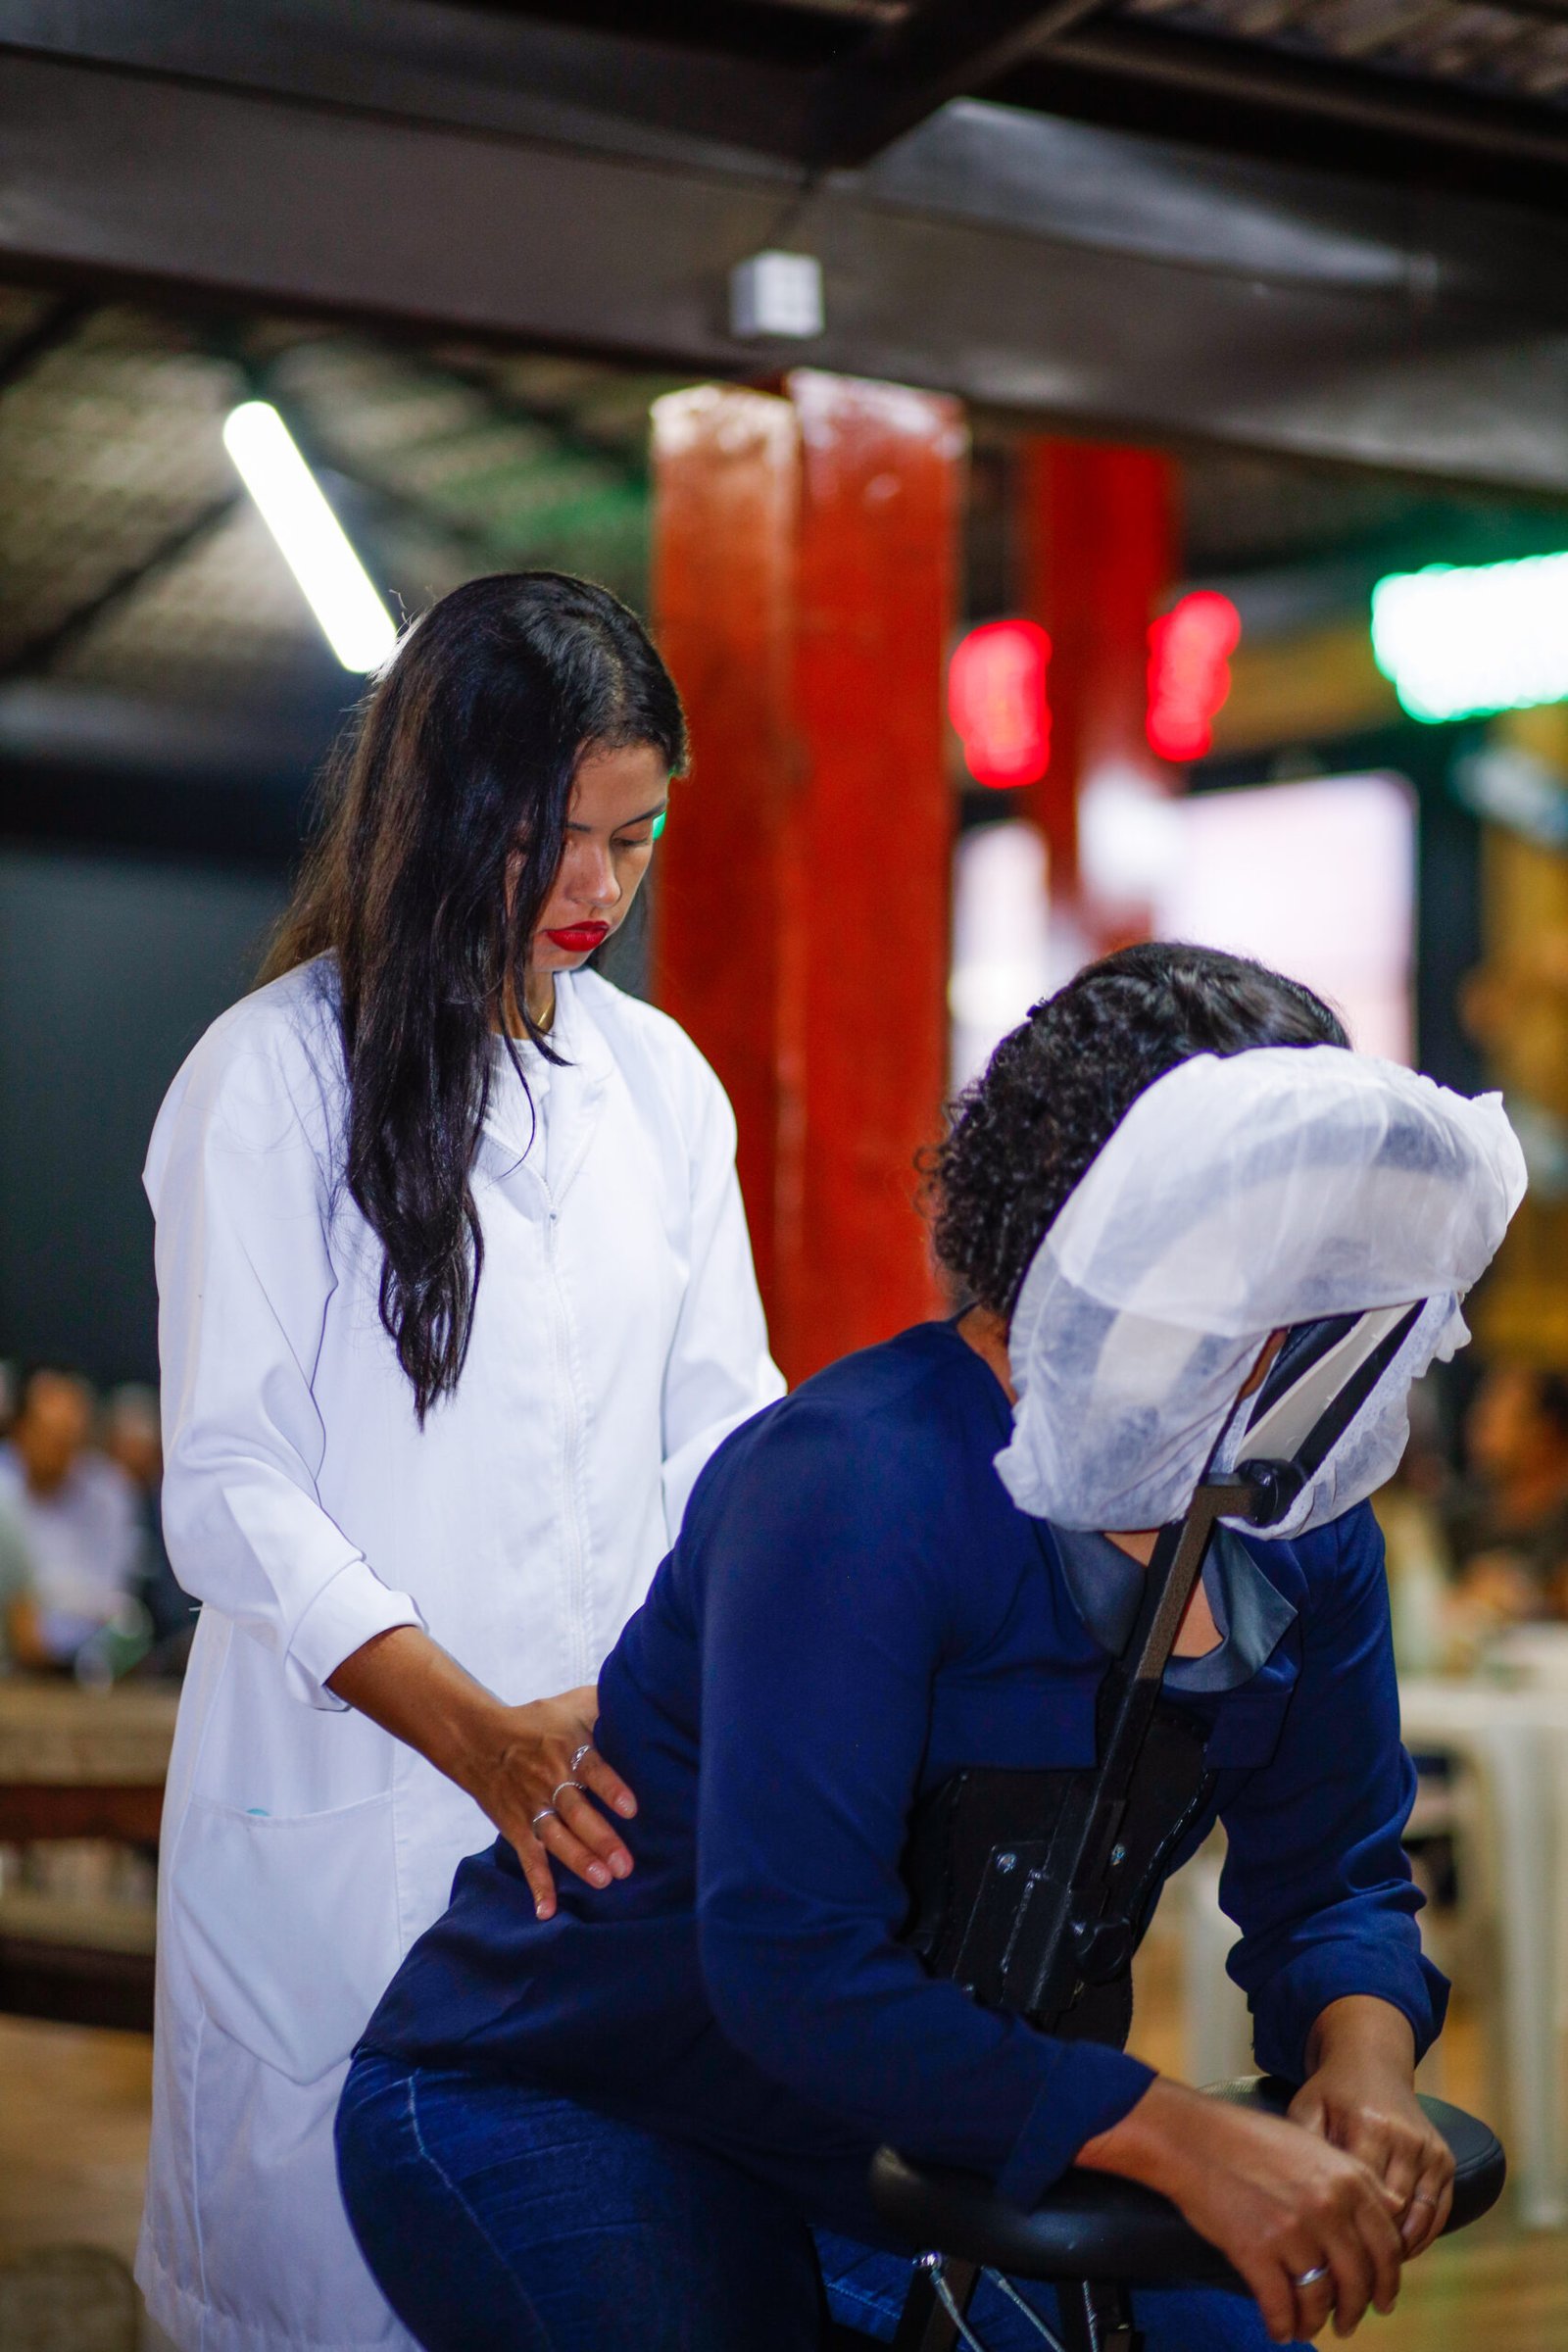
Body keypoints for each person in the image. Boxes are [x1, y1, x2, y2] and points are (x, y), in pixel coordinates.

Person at [336, 942, 1520, 2352]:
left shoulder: (1300, 1523)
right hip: (578, 2093)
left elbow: (1335, 1877)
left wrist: (1362, 2056)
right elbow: (794, 1967)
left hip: (917, 2133)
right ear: (1091, 1215)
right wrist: (1180, 2134)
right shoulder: (856, 1481)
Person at [135, 573, 783, 2352]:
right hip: (359, 1816)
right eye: (548, 838)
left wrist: (695, 1697)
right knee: (338, 2295)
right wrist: (480, 1734)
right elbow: (233, 1487)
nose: (597, 889)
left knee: (581, 2269)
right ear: (438, 809)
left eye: (634, 840)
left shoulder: (664, 1089)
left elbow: (727, 1436)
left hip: (600, 1817)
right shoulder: (269, 1081)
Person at [0, 1365, 140, 1669]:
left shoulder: (109, 1493)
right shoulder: (4, 1496)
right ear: (20, 1429)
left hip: (88, 1661)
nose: (62, 1450)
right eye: (50, 1436)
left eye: (71, 1438)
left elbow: (110, 1600)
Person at [1446, 1363, 1568, 1625]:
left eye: (1492, 1418)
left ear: (1543, 1431)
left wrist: (1541, 1595)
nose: (1475, 1428)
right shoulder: (1460, 1516)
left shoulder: (1560, 1518)